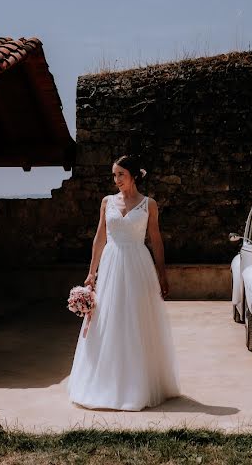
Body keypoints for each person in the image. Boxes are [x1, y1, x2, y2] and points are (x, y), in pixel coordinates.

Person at [67, 155, 181, 411]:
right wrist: (91, 273)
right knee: (108, 319)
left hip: (138, 265)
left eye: (121, 174)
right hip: (111, 265)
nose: (116, 180)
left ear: (133, 176)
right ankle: (106, 382)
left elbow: (156, 239)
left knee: (137, 321)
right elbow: (99, 238)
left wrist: (162, 273)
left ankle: (138, 384)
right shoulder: (107, 202)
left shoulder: (149, 204)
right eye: (114, 175)